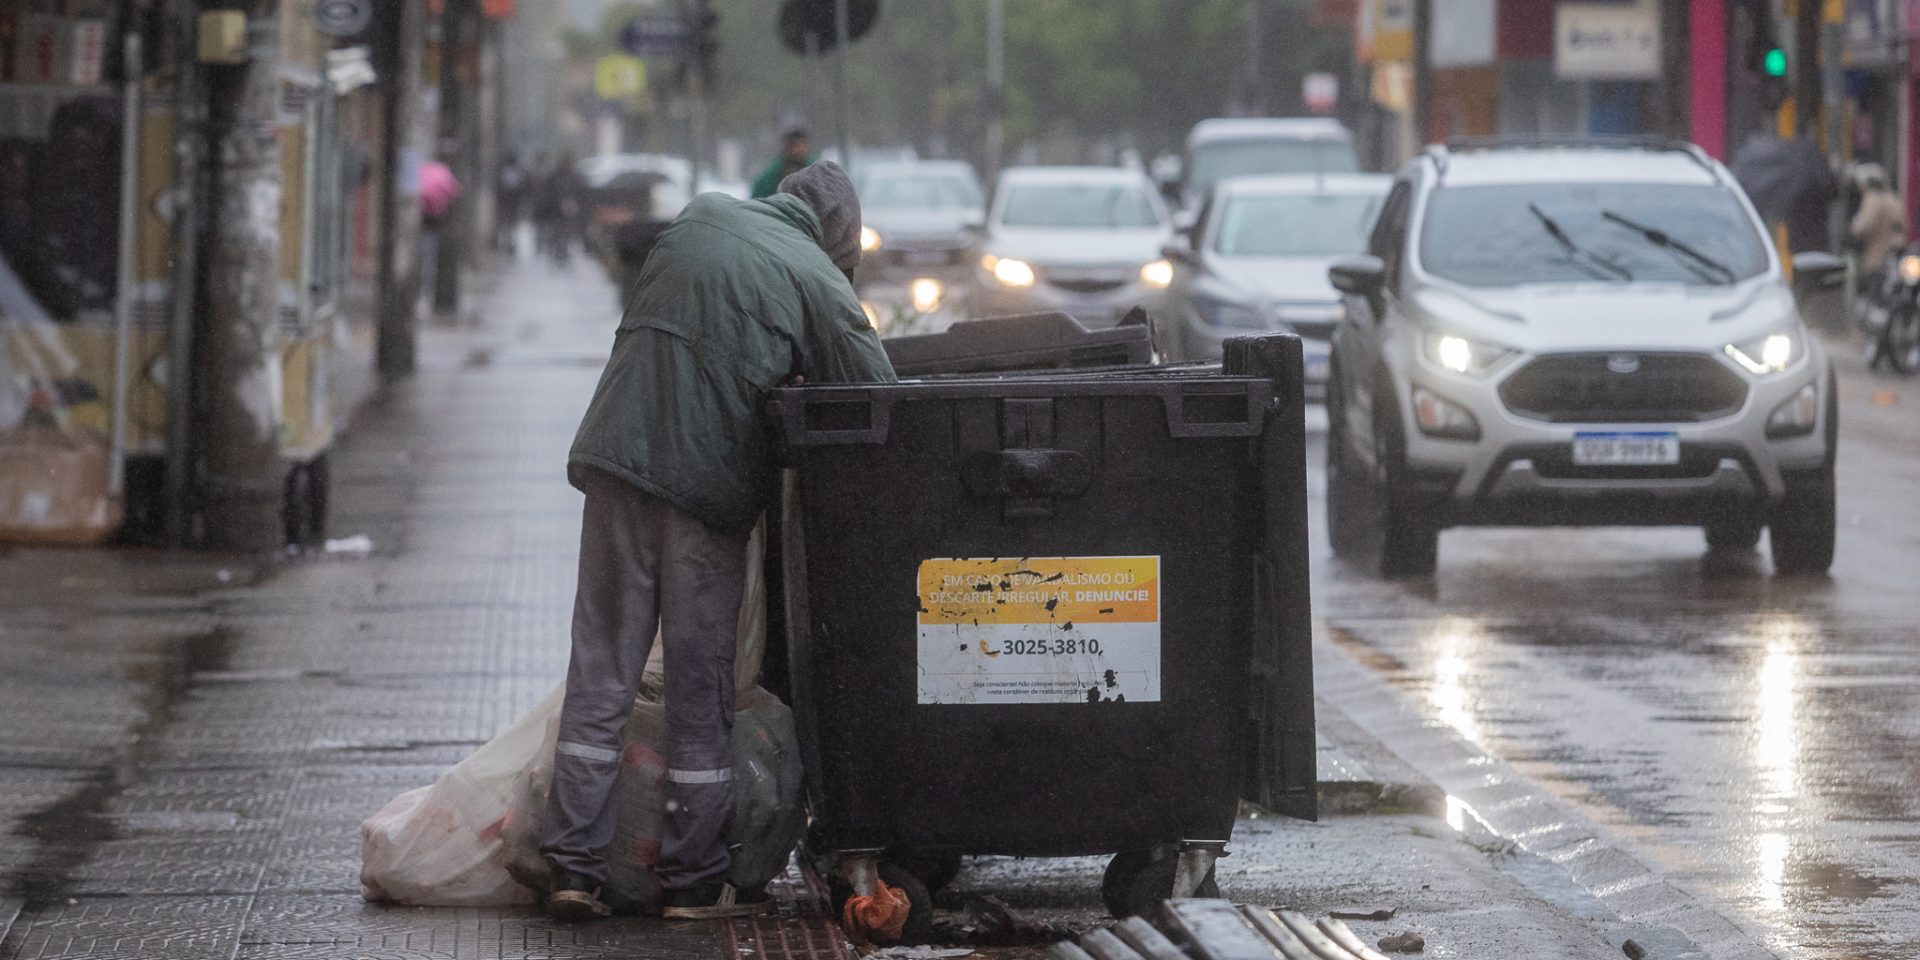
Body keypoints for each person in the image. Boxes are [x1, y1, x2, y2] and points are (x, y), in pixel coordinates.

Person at [542, 160, 894, 922]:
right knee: (700, 689)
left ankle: (571, 869)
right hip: (701, 494)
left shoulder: (700, 216)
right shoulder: (815, 274)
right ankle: (693, 882)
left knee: (603, 672)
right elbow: (875, 389)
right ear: (839, 237)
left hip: (613, 462)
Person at [1849, 163, 1905, 282]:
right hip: (1894, 251)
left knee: (1875, 289)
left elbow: (1864, 225)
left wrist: (1854, 225)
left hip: (1876, 254)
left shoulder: (1872, 199)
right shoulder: (1892, 197)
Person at [751, 129, 815, 199]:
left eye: (802, 145)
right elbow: (757, 197)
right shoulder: (773, 174)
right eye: (796, 145)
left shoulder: (813, 169)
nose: (800, 150)